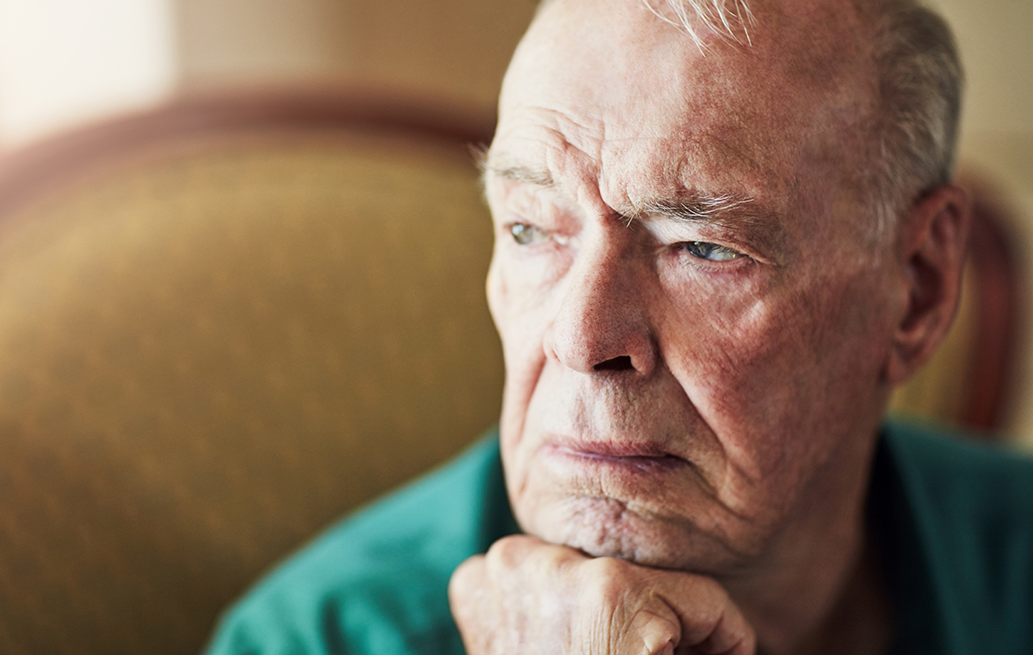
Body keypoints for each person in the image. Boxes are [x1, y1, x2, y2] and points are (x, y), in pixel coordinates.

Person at [203, 0, 1033, 653]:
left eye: (703, 246)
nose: (580, 339)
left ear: (916, 288)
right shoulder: (312, 640)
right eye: (531, 228)